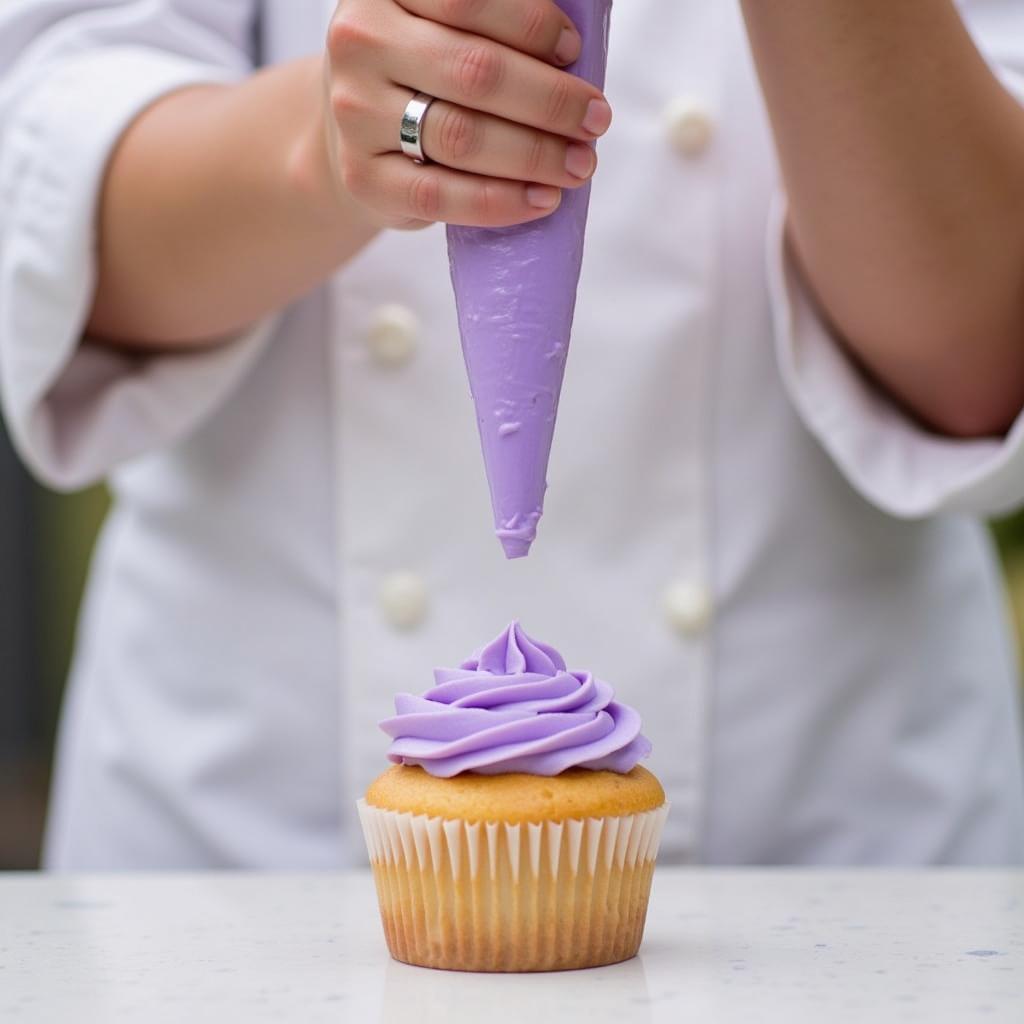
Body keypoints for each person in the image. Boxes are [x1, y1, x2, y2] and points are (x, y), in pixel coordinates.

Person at [1, 0, 1023, 869]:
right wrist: (323, 148)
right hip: (250, 854)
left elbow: (978, 354)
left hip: (835, 862)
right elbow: (59, 203)